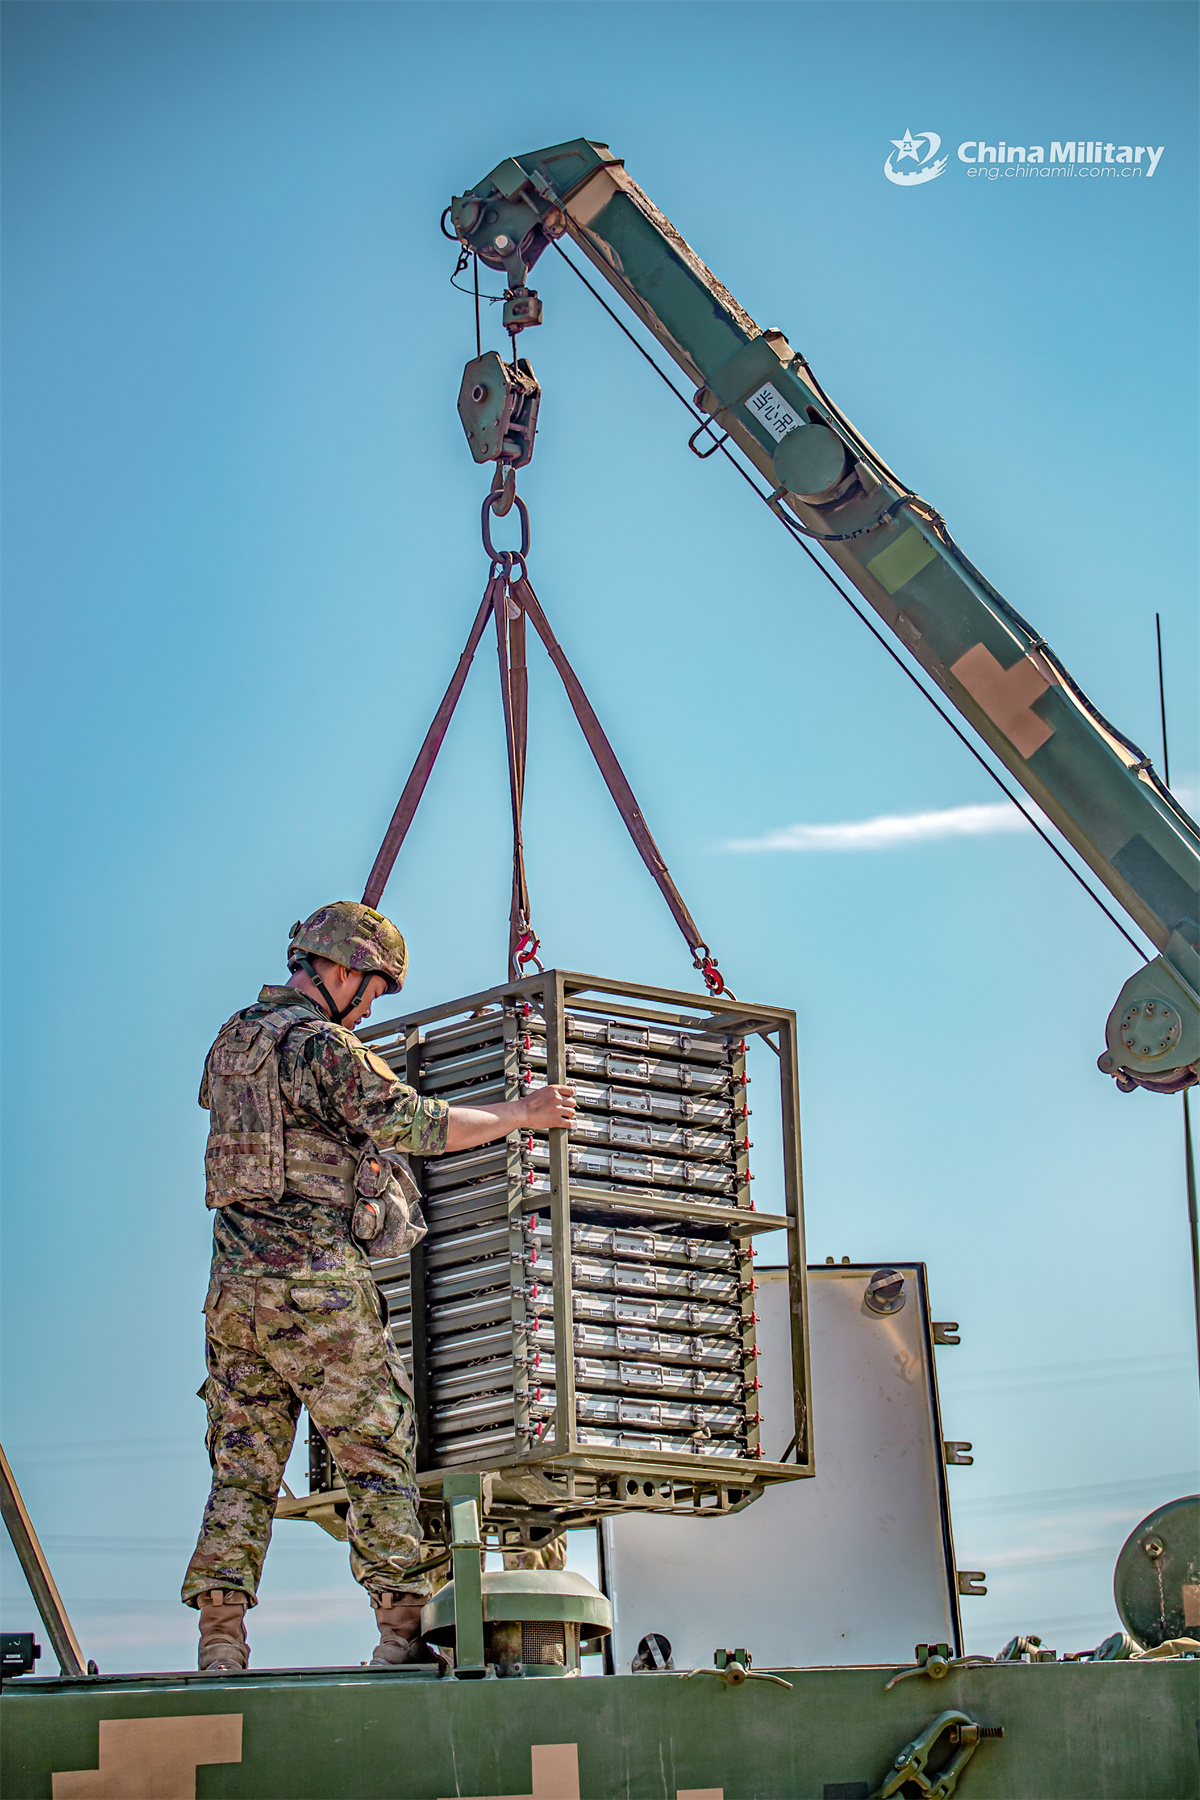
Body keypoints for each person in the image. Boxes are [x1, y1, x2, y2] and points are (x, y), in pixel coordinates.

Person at [181, 901, 575, 1673]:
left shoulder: (233, 1040)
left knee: (241, 1472)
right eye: (373, 989)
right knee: (376, 1456)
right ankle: (400, 1636)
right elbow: (416, 1124)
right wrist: (522, 1113)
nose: (370, 1009)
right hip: (317, 1291)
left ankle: (220, 1641)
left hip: (233, 1295)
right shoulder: (323, 1047)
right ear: (337, 969)